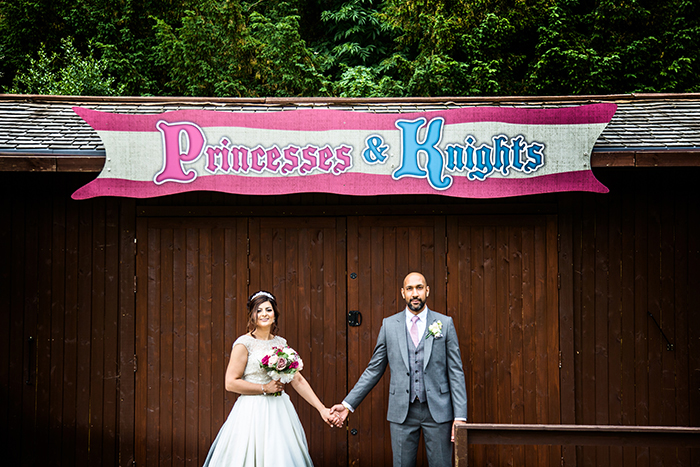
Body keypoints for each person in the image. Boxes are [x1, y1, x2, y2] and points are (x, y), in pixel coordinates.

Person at [330, 272, 467, 467]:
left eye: (419, 288)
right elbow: (373, 369)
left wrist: (460, 416)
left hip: (438, 411)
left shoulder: (444, 324)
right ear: (403, 293)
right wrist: (348, 405)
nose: (415, 293)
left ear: (427, 291)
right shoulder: (389, 326)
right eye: (409, 289)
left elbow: (456, 371)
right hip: (402, 411)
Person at [203, 290, 339, 467]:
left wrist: (322, 409)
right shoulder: (244, 343)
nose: (263, 314)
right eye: (258, 310)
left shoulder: (281, 344)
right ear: (252, 315)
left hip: (279, 410)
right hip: (251, 411)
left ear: (275, 314)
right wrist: (264, 388)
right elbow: (230, 383)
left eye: (268, 309)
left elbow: (297, 380)